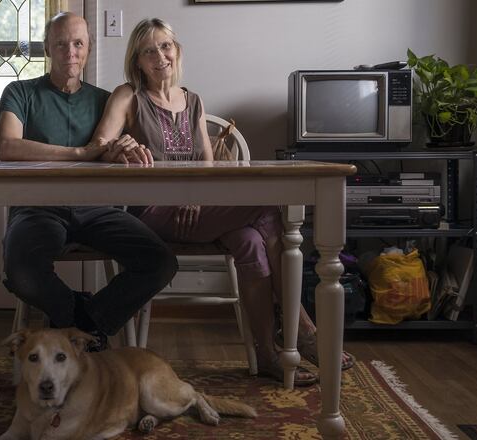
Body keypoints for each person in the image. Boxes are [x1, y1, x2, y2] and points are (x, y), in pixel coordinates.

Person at [92, 17, 354, 383]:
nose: (159, 56)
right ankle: (304, 332)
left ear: (176, 51)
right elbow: (101, 146)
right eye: (148, 51)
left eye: (165, 46)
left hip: (199, 210)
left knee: (250, 243)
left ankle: (265, 354)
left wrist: (197, 197)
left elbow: (209, 167)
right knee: (266, 207)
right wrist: (119, 148)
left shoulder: (194, 101)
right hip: (150, 213)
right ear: (137, 61)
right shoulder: (127, 95)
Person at [0, 12, 177, 349]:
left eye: (78, 43)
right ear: (48, 48)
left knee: (161, 262)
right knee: (20, 270)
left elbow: (111, 151)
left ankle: (89, 320)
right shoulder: (20, 92)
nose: (71, 52)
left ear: (89, 48)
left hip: (97, 209)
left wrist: (123, 148)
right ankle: (77, 315)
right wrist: (79, 154)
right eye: (61, 44)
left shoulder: (104, 100)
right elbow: (8, 146)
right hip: (37, 208)